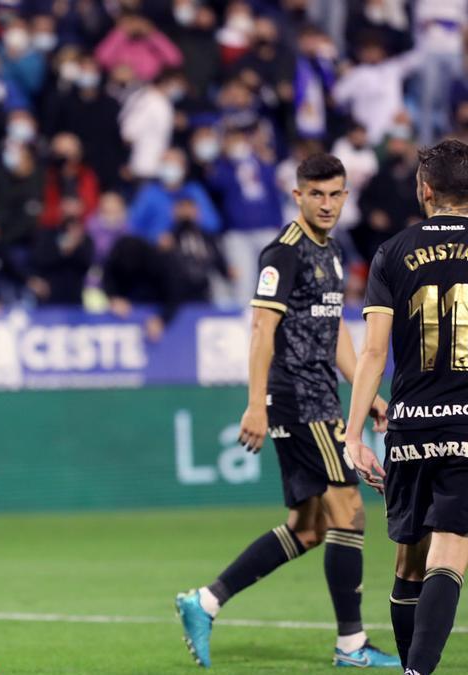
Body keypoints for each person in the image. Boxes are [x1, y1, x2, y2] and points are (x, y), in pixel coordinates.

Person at [175, 154, 401, 669]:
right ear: (297, 195)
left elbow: (334, 328)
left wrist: (370, 396)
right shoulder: (285, 252)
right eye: (316, 194)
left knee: (308, 527)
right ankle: (351, 645)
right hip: (300, 400)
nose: (326, 204)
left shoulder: (334, 251)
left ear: (346, 196)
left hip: (320, 394)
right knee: (350, 513)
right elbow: (261, 328)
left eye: (335, 194)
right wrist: (256, 403)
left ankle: (203, 601)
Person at [345, 139, 468, 675]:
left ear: (425, 189)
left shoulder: (392, 252)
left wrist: (352, 436)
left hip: (410, 425)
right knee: (451, 552)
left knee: (410, 561)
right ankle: (418, 672)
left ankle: (409, 666)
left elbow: (373, 352)